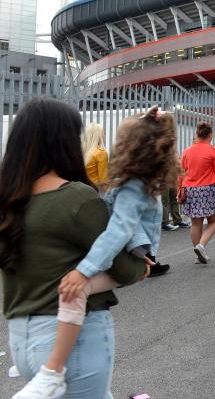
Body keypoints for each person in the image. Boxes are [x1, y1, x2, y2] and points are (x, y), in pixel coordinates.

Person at [0, 99, 151, 399]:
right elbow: (123, 268)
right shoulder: (77, 198)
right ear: (64, 140)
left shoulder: (7, 200)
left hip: (20, 338)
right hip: (71, 339)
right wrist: (144, 266)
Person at [181, 121, 215, 264]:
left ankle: (198, 253)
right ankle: (201, 246)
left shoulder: (187, 151)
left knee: (196, 223)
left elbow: (182, 173)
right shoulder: (212, 151)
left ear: (197, 134)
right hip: (209, 188)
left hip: (191, 189)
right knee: (214, 221)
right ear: (210, 135)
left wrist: (180, 189)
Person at [82, 122, 109, 188]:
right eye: (103, 134)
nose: (104, 136)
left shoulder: (80, 152)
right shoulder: (101, 153)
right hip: (94, 190)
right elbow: (104, 180)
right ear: (99, 136)